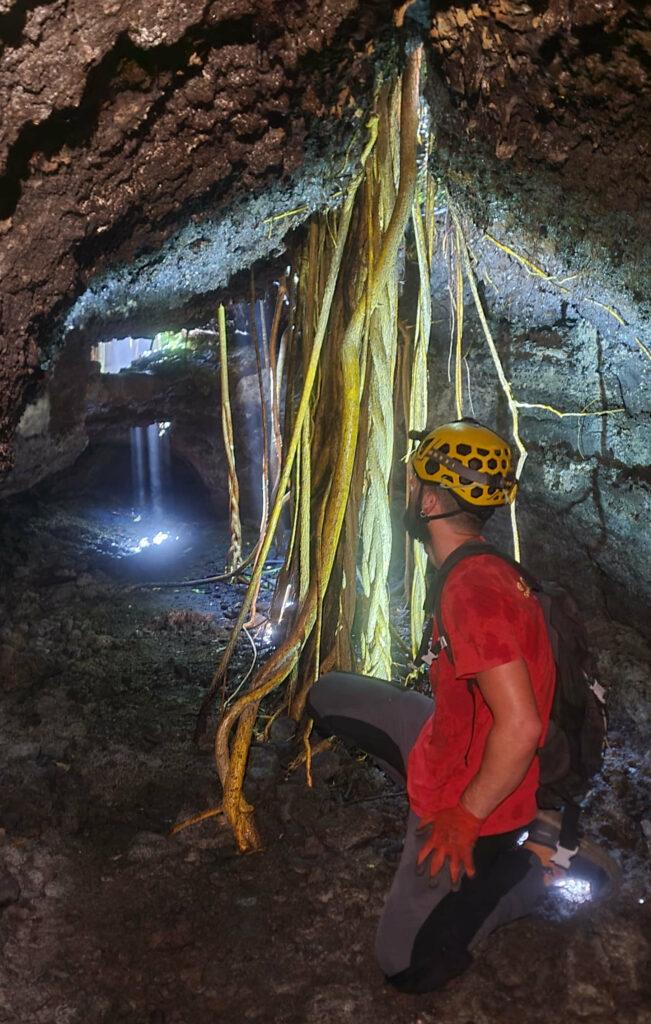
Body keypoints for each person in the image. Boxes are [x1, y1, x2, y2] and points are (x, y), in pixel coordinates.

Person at [308, 418, 614, 994]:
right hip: (447, 736)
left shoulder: (472, 594)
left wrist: (466, 816)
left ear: (428, 499)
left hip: (476, 794)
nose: (404, 489)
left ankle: (532, 864)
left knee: (405, 965)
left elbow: (520, 725)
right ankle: (438, 772)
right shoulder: (484, 566)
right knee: (325, 697)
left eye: (411, 480)